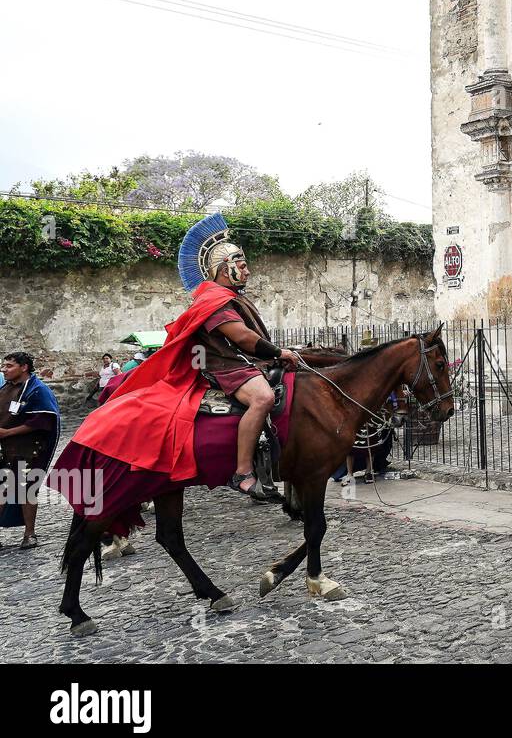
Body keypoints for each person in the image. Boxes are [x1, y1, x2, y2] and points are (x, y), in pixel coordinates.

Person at [67, 213, 300, 503]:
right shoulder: (214, 301)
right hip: (222, 366)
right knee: (263, 398)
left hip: (239, 362)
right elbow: (242, 338)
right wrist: (279, 352)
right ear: (225, 270)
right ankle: (242, 473)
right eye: (242, 266)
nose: (248, 272)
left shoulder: (225, 296)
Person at [0, 351, 61, 549]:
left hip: (29, 449)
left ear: (24, 367)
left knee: (26, 490)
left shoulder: (37, 390)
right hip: (5, 449)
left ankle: (29, 534)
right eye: (4, 365)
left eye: (9, 366)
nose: (4, 369)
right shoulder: (5, 389)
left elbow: (42, 421)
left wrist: (8, 433)